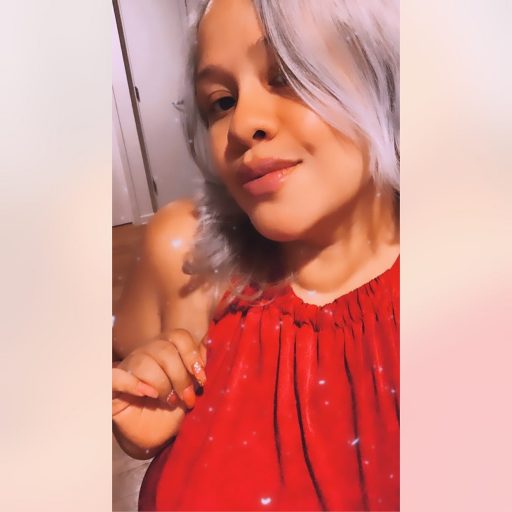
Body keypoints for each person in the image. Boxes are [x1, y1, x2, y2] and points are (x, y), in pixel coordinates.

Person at [112, 0, 399, 509]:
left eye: (286, 75)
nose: (243, 124)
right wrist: (143, 402)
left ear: (386, 75)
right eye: (221, 101)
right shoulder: (184, 252)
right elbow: (124, 363)